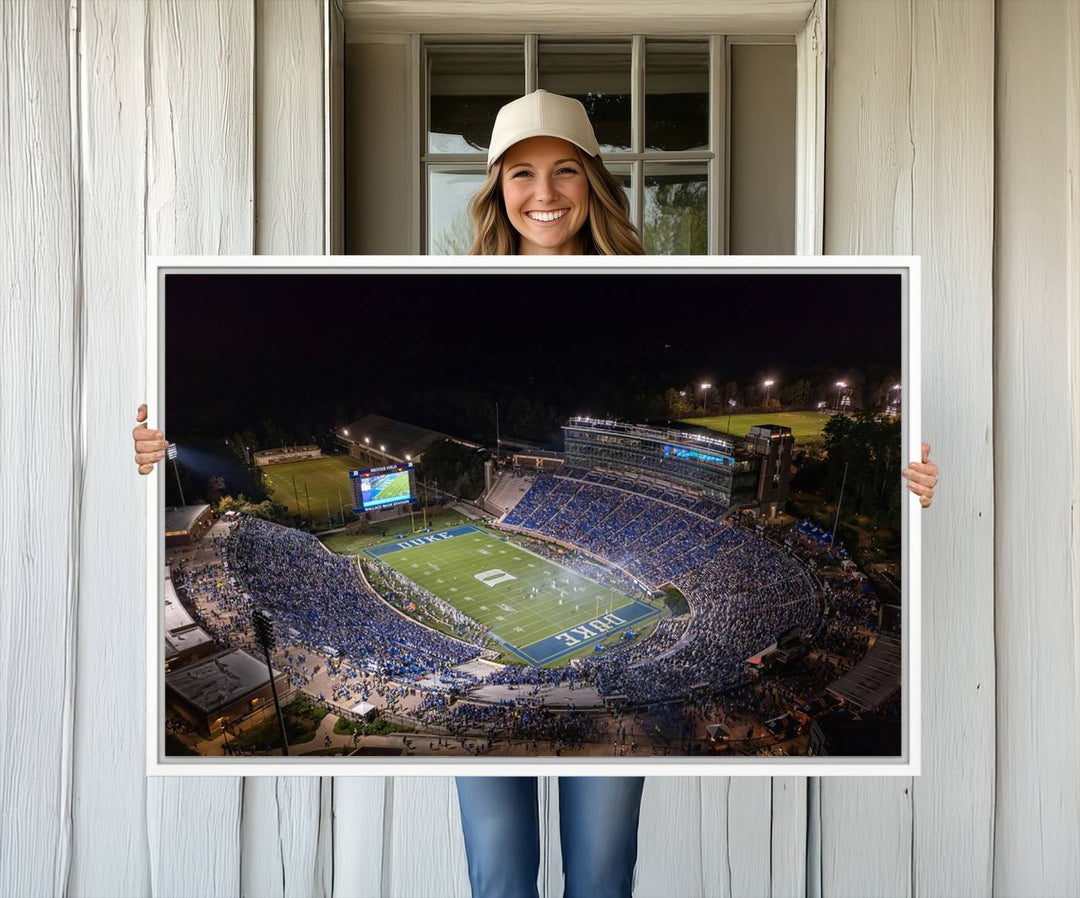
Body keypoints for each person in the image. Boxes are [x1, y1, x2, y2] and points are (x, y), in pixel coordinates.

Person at [132, 89, 939, 898]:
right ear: (495, 189)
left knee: (600, 868)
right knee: (500, 870)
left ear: (594, 181)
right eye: (521, 173)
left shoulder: (653, 281)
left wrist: (911, 487)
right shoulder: (452, 283)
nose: (544, 193)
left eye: (564, 172)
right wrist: (149, 460)